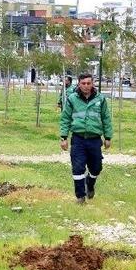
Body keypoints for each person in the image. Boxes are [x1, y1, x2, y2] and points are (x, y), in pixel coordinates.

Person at [59, 73, 113, 204]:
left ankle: (90, 182)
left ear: (92, 83)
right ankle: (80, 196)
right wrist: (63, 137)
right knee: (77, 168)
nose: (86, 86)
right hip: (78, 139)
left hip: (94, 139)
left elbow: (106, 118)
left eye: (89, 83)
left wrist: (108, 137)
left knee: (96, 168)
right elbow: (65, 118)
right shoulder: (72, 98)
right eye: (83, 83)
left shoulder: (100, 98)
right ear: (79, 84)